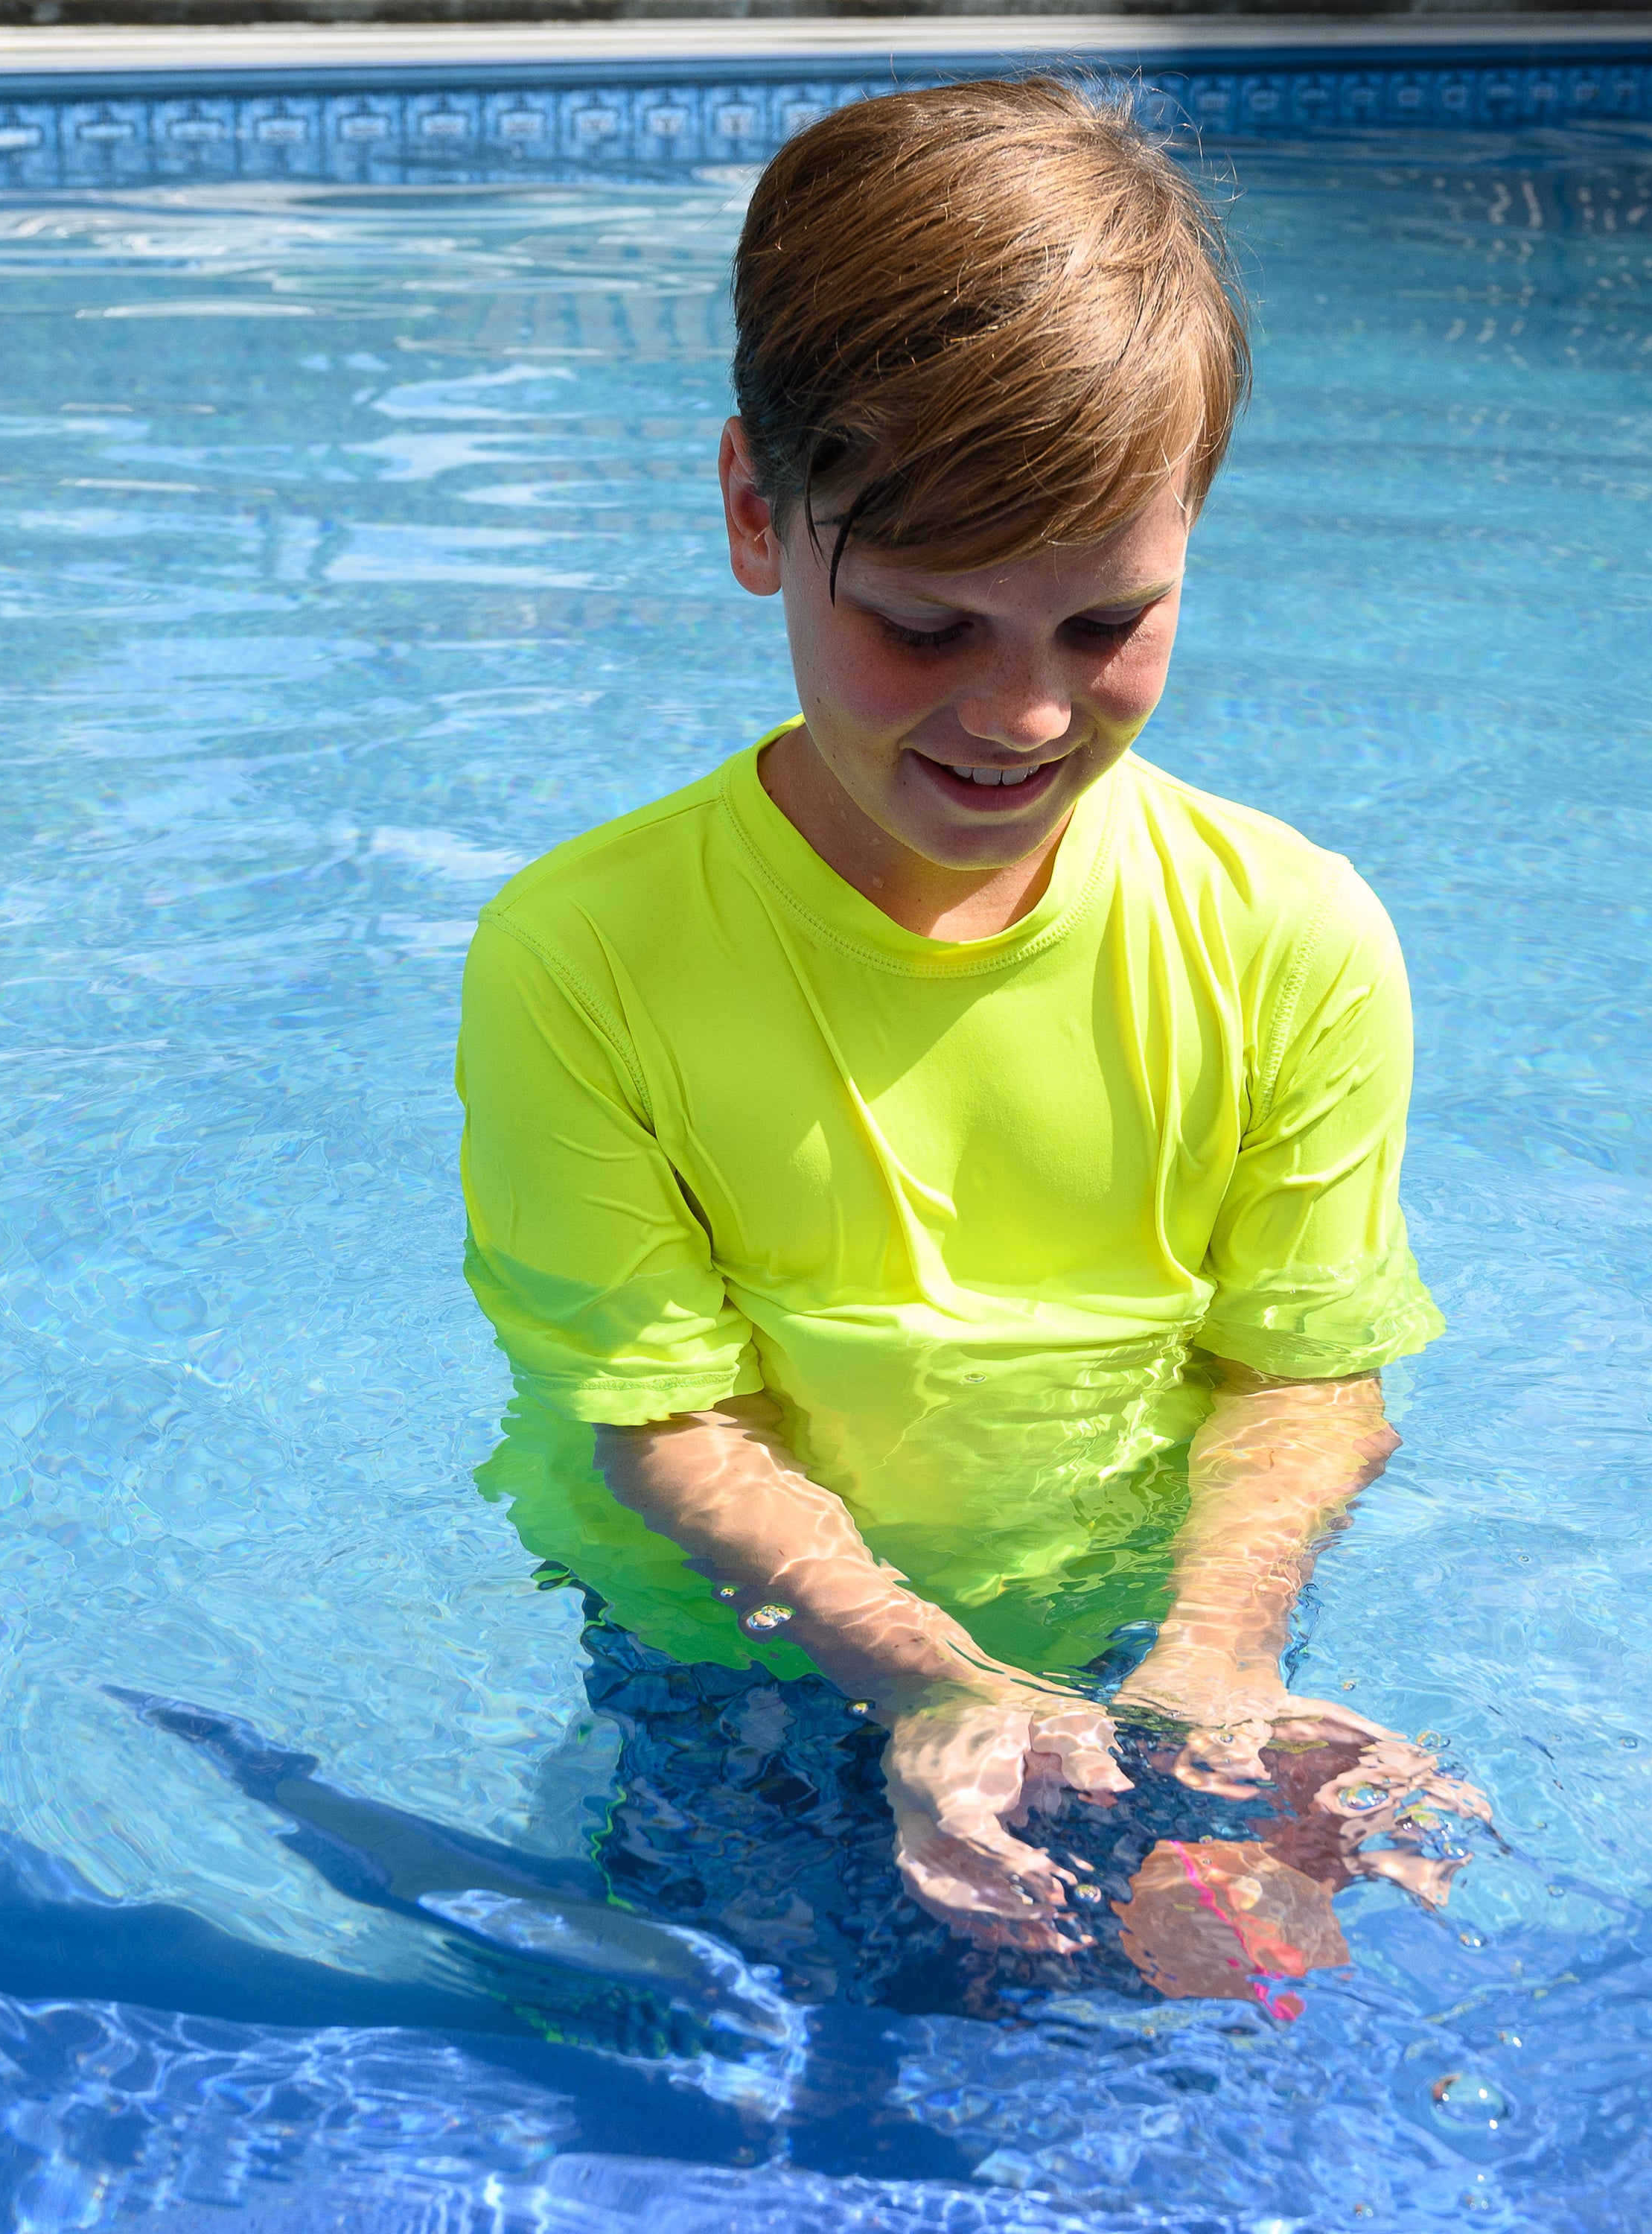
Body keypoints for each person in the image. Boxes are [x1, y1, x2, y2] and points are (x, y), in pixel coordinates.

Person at [456, 76, 1472, 2010]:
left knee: (1241, 2001)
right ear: (761, 515)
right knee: (724, 2029)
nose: (1018, 715)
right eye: (929, 626)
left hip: (1130, 1622)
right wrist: (921, 1671)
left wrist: (1219, 1661)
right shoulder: (584, 956)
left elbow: (1307, 1371)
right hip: (737, 1650)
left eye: (1105, 624)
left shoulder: (1290, 934)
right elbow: (661, 1422)